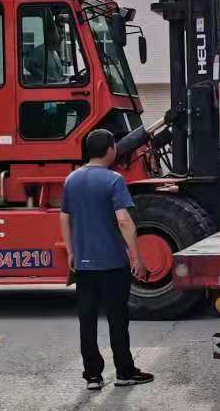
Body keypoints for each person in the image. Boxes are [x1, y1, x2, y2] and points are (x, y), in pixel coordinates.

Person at [60, 129, 153, 391]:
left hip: (84, 265)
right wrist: (137, 257)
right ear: (110, 149)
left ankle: (92, 375)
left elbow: (64, 218)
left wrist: (71, 251)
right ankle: (124, 372)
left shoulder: (71, 179)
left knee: (87, 320)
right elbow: (123, 220)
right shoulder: (114, 179)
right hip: (113, 264)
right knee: (117, 319)